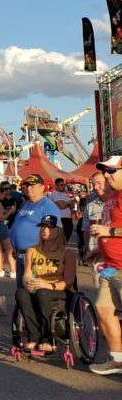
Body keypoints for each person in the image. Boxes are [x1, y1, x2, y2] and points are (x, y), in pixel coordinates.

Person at [16, 215, 76, 353]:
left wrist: (48, 285)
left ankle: (48, 338)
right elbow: (26, 274)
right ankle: (34, 336)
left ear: (58, 230)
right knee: (21, 293)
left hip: (58, 289)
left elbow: (68, 282)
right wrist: (27, 283)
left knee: (43, 293)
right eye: (43, 226)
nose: (44, 230)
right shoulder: (32, 250)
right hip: (38, 286)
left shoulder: (67, 253)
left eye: (49, 227)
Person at [88, 156, 122, 375]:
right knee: (103, 310)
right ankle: (117, 361)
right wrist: (99, 248)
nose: (107, 176)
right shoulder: (113, 196)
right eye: (105, 172)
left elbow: (111, 229)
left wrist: (107, 233)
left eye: (111, 171)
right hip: (110, 265)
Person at [8, 175, 59, 291]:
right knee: (22, 291)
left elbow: (55, 232)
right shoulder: (26, 204)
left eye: (33, 186)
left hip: (35, 255)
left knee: (32, 291)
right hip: (20, 254)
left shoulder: (47, 206)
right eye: (28, 186)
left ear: (42, 188)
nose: (29, 189)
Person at [83, 172, 107, 264]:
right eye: (93, 184)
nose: (95, 187)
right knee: (97, 278)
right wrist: (88, 250)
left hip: (116, 254)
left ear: (108, 182)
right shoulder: (90, 206)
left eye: (98, 183)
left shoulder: (118, 202)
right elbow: (85, 230)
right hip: (96, 256)